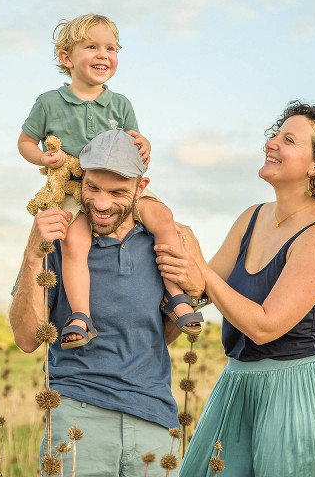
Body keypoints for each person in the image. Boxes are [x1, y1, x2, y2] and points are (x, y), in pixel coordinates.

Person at [155, 101, 315, 476]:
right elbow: (201, 288)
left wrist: (200, 267)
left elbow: (265, 325)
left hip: (297, 392)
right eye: (275, 134)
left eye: (288, 140)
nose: (271, 143)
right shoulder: (251, 216)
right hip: (236, 384)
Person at [10, 129, 197, 476]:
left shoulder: (163, 242)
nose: (100, 203)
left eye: (117, 192)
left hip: (154, 419)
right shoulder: (60, 238)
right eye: (92, 187)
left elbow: (161, 333)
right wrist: (34, 252)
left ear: (142, 189)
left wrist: (195, 289)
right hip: (77, 415)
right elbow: (25, 338)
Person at [17, 14, 201, 350]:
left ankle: (176, 295)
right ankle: (80, 314)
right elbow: (26, 142)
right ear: (66, 58)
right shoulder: (49, 102)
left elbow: (134, 143)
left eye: (111, 48)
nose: (104, 54)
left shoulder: (120, 103)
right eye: (92, 47)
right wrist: (42, 158)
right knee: (75, 241)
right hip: (74, 188)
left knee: (164, 218)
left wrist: (145, 144)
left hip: (114, 187)